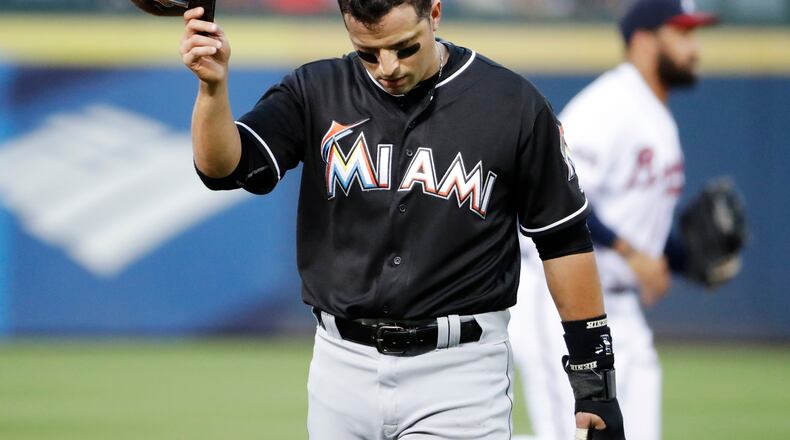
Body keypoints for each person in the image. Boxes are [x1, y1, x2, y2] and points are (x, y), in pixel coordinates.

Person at [180, 0, 624, 438]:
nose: (387, 67)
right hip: (341, 367)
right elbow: (226, 169)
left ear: (435, 13)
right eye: (368, 52)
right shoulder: (316, 89)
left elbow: (563, 240)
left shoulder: (511, 103)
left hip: (459, 372)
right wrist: (212, 88)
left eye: (404, 47)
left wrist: (594, 382)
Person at [509, 1, 717, 439]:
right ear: (643, 40)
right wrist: (632, 254)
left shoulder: (654, 112)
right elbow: (560, 197)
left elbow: (635, 225)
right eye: (682, 34)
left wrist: (685, 261)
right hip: (564, 302)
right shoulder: (609, 106)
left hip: (622, 307)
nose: (694, 48)